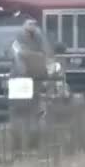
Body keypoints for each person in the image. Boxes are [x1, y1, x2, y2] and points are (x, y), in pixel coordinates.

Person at [10, 18, 53, 155]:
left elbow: (18, 60)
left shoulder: (18, 39)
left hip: (21, 80)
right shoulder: (40, 39)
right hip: (35, 80)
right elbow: (47, 58)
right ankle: (32, 147)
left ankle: (18, 148)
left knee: (20, 115)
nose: (33, 26)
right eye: (31, 23)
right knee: (33, 115)